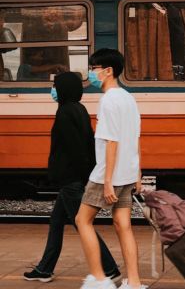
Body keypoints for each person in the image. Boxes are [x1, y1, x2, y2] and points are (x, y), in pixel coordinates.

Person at [23, 72, 121, 283]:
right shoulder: (79, 109)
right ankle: (44, 269)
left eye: (56, 86)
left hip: (70, 179)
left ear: (64, 88)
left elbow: (74, 149)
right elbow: (87, 144)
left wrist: (75, 176)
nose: (53, 90)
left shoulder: (65, 113)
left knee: (81, 223)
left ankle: (109, 267)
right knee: (56, 221)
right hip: (75, 178)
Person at [75, 49, 146, 289]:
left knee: (82, 220)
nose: (91, 73)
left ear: (108, 71)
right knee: (122, 225)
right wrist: (137, 173)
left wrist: (106, 181)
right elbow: (136, 137)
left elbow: (111, 141)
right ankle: (134, 283)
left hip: (108, 173)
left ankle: (99, 278)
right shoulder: (128, 98)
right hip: (126, 172)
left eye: (94, 68)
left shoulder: (107, 100)